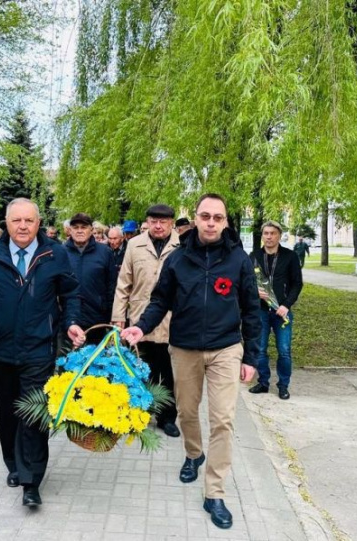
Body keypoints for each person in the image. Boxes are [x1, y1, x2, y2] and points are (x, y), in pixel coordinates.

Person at [121, 193, 261, 530]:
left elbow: (252, 311)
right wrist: (140, 327)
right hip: (183, 348)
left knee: (223, 420)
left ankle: (214, 491)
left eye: (218, 217)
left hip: (226, 348)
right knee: (186, 412)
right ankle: (194, 453)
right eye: (205, 216)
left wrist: (252, 356)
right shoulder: (178, 260)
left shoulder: (239, 261)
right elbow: (159, 301)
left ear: (226, 222)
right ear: (195, 219)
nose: (211, 222)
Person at [0, 198, 85, 508]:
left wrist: (71, 323)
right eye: (17, 221)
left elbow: (70, 294)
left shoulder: (55, 253)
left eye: (29, 220)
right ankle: (14, 464)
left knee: (34, 413)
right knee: (8, 412)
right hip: (0, 350)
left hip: (39, 349)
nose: (23, 226)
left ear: (39, 224)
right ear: (7, 223)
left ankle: (32, 480)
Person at [112, 204, 181, 438]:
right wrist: (118, 317)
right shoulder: (134, 245)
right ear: (148, 222)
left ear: (172, 223)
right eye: (153, 221)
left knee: (169, 373)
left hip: (172, 321)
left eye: (163, 221)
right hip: (140, 320)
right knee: (140, 369)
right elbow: (123, 285)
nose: (158, 225)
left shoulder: (182, 246)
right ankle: (139, 415)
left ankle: (167, 417)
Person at [249, 221, 303, 400]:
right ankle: (263, 382)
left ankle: (283, 385)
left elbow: (297, 284)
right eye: (266, 233)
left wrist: (286, 305)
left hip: (282, 312)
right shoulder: (254, 256)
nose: (269, 237)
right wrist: (255, 292)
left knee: (284, 350)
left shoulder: (290, 256)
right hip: (260, 311)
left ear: (279, 235)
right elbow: (246, 282)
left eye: (273, 233)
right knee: (260, 349)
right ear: (262, 235)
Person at [64, 213, 117, 344]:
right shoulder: (61, 252)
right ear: (70, 230)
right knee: (69, 361)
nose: (80, 230)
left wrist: (111, 314)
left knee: (97, 360)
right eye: (76, 227)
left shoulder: (105, 252)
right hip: (68, 319)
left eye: (84, 227)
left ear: (91, 230)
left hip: (97, 318)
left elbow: (112, 285)